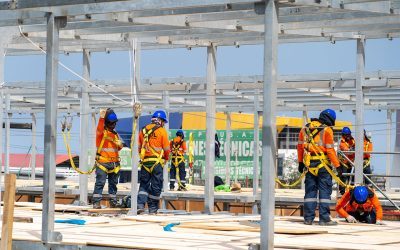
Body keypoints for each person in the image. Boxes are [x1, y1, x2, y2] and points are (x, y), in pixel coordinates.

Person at [297, 109, 340, 226]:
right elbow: (330, 150)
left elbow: (300, 147)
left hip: (309, 165)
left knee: (310, 192)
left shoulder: (305, 129)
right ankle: (324, 219)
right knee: (324, 192)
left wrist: (300, 162)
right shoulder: (327, 130)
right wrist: (338, 165)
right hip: (323, 166)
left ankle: (308, 219)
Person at [137, 110, 170, 214]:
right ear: (160, 121)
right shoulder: (162, 131)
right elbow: (166, 149)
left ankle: (140, 205)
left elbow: (139, 147)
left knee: (143, 185)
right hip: (157, 163)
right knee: (156, 185)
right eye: (163, 122)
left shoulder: (143, 130)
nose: (164, 124)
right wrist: (166, 159)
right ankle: (152, 208)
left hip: (145, 162)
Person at [92, 108, 124, 209]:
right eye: (111, 123)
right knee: (100, 183)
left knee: (113, 185)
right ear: (106, 123)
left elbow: (117, 148)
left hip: (114, 164)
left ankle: (113, 202)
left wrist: (120, 145)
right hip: (103, 163)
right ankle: (96, 203)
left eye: (114, 123)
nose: (113, 125)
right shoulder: (101, 133)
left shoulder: (115, 134)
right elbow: (99, 128)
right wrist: (101, 118)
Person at [338, 127, 355, 194]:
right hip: (344, 162)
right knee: (343, 177)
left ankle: (352, 191)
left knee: (352, 177)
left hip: (351, 163)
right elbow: (348, 151)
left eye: (348, 134)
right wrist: (353, 149)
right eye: (345, 135)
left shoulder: (353, 140)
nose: (347, 136)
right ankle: (342, 192)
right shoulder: (341, 142)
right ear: (343, 135)